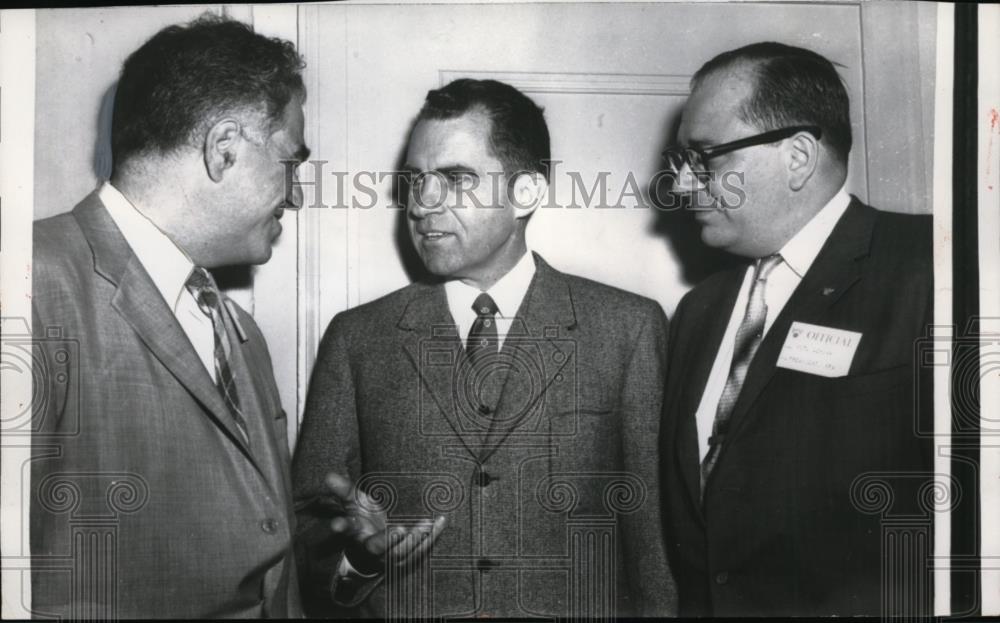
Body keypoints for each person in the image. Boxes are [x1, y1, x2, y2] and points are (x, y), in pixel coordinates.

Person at [293, 78, 674, 618]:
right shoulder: (358, 339)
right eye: (416, 181)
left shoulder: (627, 329)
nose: (422, 205)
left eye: (454, 179)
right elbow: (310, 533)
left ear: (527, 192)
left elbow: (653, 541)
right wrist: (360, 557)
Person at [31, 15, 308, 618]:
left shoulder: (241, 333)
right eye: (290, 162)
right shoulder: (30, 282)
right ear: (224, 149)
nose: (297, 193)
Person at [659, 42, 933, 616]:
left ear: (798, 156)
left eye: (705, 157)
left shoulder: (934, 267)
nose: (682, 187)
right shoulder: (699, 311)